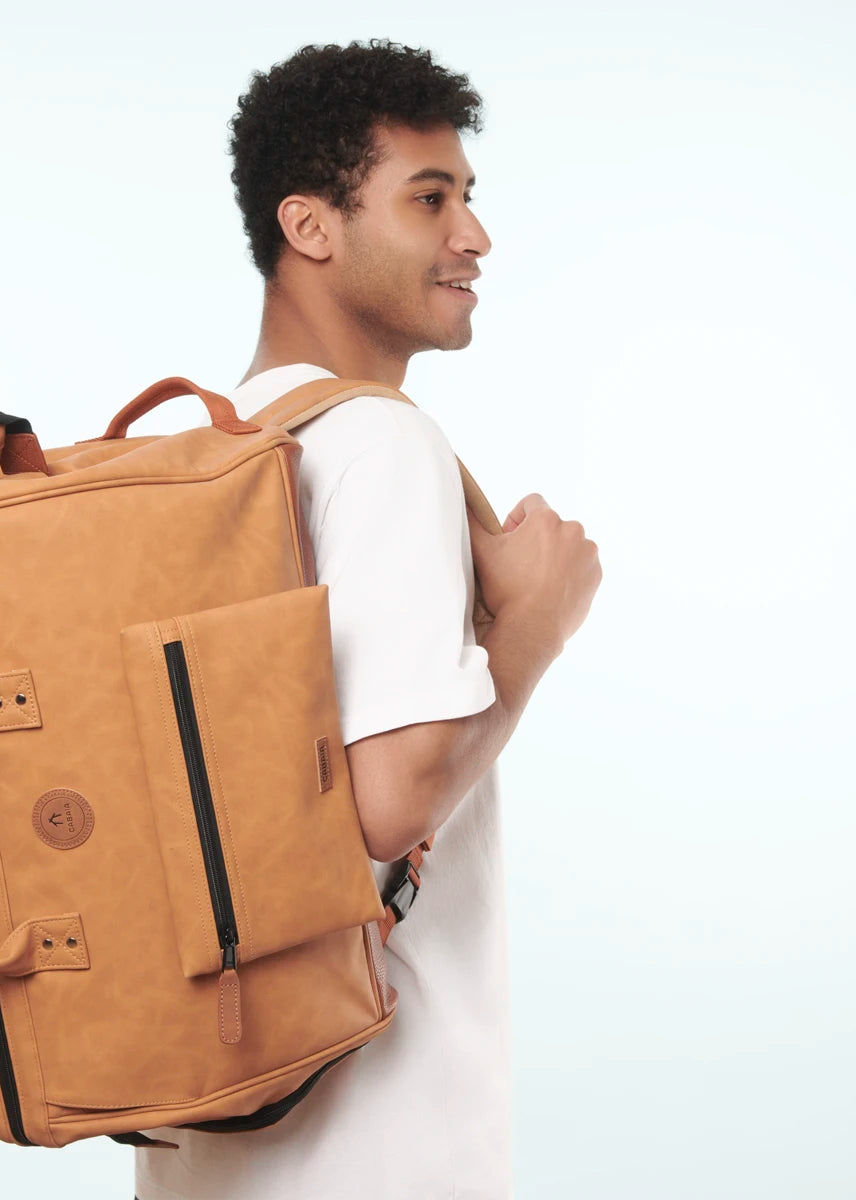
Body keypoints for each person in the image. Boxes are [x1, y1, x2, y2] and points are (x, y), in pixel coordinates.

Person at [134, 39, 602, 1200]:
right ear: (310, 227)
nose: (474, 236)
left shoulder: (192, 455)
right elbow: (390, 806)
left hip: (207, 1120)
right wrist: (535, 630)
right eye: (429, 199)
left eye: (469, 197)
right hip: (378, 1146)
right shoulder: (383, 447)